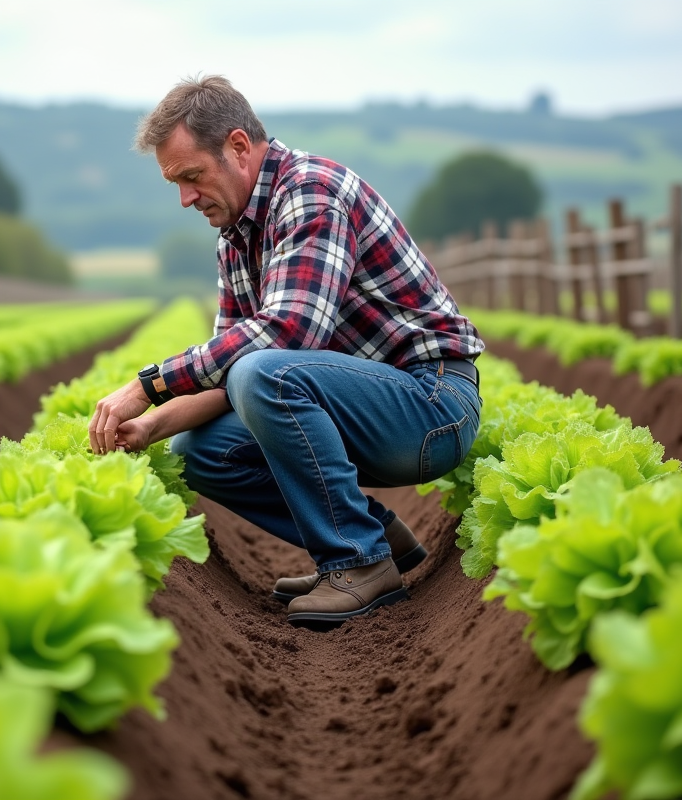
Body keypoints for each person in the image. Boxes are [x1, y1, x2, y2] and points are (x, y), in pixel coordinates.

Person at [88, 75, 484, 627]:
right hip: (362, 408)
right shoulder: (236, 235)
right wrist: (151, 427)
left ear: (239, 148)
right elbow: (227, 375)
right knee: (197, 453)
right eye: (175, 184)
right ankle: (375, 537)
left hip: (430, 404)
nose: (185, 199)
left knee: (264, 372)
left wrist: (146, 386)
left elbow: (285, 338)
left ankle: (357, 560)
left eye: (192, 176)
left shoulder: (311, 192)